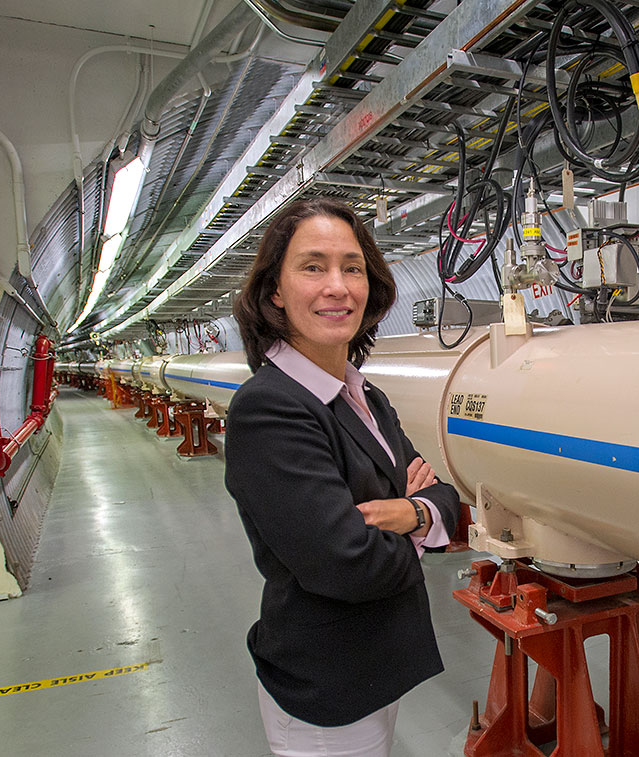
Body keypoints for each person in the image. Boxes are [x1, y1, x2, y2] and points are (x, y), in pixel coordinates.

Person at [224, 197, 460, 756]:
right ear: (275, 292)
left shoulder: (366, 397)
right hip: (325, 681)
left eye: (352, 267)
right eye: (313, 266)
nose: (338, 286)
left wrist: (415, 513)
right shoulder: (270, 408)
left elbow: (445, 496)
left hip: (377, 663)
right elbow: (347, 563)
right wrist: (421, 521)